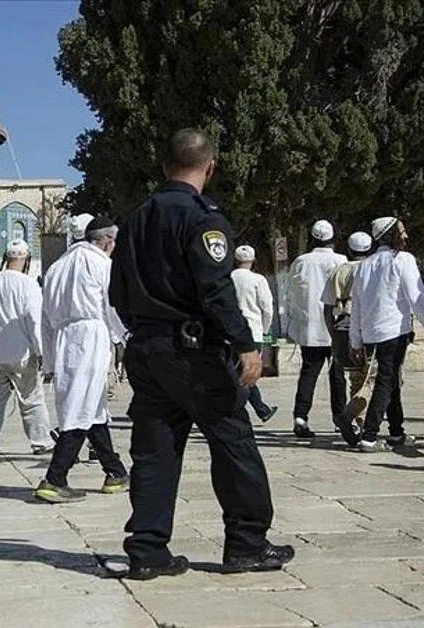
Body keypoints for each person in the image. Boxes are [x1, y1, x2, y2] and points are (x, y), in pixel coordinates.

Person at [110, 128, 292, 580]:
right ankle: (247, 541)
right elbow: (214, 289)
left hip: (148, 351)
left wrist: (147, 330)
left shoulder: (135, 220)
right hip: (193, 353)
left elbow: (117, 292)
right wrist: (246, 344)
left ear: (163, 164)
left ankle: (147, 550)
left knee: (154, 450)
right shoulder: (202, 218)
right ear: (210, 167)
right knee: (232, 441)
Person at [36, 216, 129, 503]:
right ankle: (54, 478)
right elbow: (111, 305)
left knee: (91, 405)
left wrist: (49, 357)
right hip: (91, 335)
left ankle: (115, 472)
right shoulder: (101, 264)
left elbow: (46, 316)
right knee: (81, 406)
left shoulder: (58, 267)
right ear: (107, 240)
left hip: (65, 337)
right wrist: (125, 337)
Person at [347, 217, 424, 452]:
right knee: (386, 381)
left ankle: (397, 431)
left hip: (371, 333)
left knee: (391, 382)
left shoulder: (364, 265)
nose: (406, 236)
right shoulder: (403, 260)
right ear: (390, 235)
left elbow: (356, 305)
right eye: (401, 232)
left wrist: (356, 341)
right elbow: (417, 298)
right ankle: (369, 435)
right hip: (394, 332)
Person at [0, 239, 55, 461]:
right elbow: (34, 320)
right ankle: (41, 441)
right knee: (31, 397)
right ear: (26, 259)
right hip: (22, 352)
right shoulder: (28, 284)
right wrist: (41, 352)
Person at [283, 220, 347, 438]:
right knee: (337, 375)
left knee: (308, 373)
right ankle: (340, 418)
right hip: (337, 326)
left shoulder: (301, 261)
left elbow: (290, 294)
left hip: (311, 326)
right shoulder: (341, 260)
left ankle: (300, 417)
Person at [320, 231, 374, 433]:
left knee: (356, 378)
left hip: (344, 327)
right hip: (370, 328)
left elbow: (327, 307)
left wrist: (333, 335)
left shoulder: (339, 271)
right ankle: (351, 416)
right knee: (374, 378)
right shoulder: (373, 269)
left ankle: (359, 423)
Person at [231, 245, 277, 421]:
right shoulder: (258, 280)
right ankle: (260, 409)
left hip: (231, 331)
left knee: (238, 372)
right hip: (253, 331)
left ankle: (261, 409)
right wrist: (264, 330)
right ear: (253, 260)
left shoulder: (228, 278)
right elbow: (267, 308)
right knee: (246, 373)